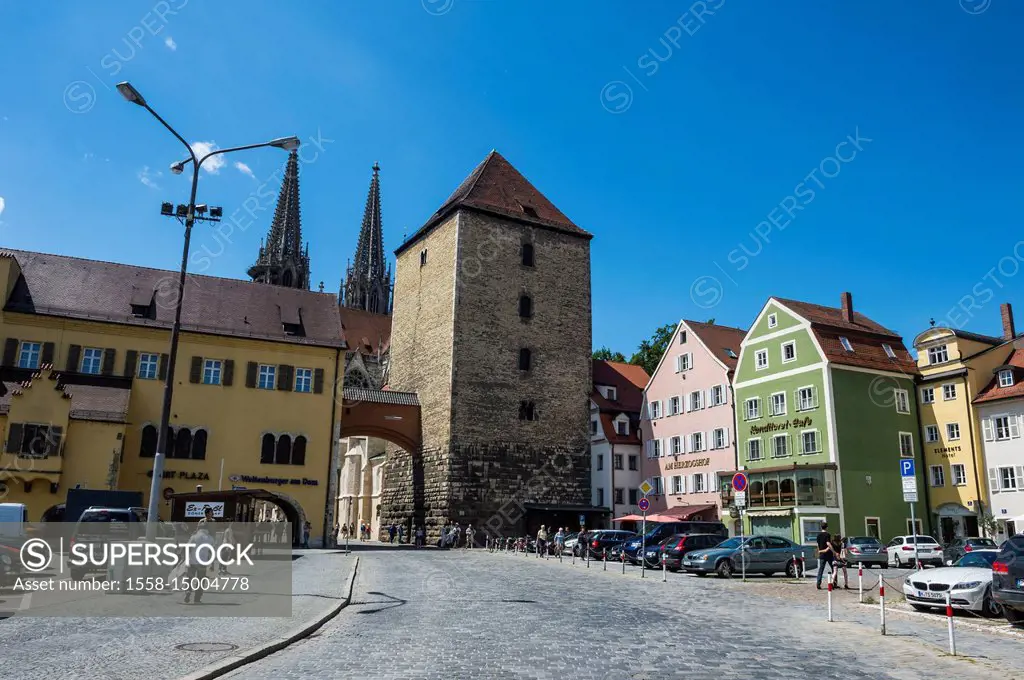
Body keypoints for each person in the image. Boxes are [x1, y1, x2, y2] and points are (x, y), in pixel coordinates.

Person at [184, 519, 215, 604]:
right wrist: (212, 564)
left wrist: (186, 559)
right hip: (203, 562)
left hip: (192, 561)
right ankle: (197, 598)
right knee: (201, 580)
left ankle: (188, 591)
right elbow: (211, 552)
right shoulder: (210, 538)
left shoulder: (194, 537)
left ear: (199, 528)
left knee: (189, 578)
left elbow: (188, 548)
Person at [815, 522, 834, 590]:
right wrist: (833, 551)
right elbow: (828, 543)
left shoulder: (818, 535)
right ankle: (834, 583)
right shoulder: (827, 534)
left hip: (822, 554)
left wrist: (818, 552)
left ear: (821, 527)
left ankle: (818, 583)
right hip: (828, 554)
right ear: (827, 527)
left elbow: (818, 545)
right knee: (834, 568)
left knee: (821, 569)